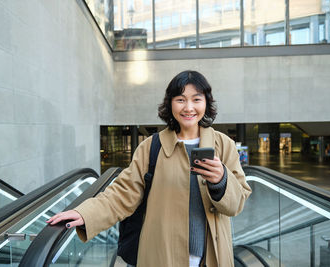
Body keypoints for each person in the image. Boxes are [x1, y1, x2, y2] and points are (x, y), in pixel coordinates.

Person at [47, 70, 252, 267]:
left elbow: (237, 203)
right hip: (161, 255)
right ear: (170, 104)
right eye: (180, 99)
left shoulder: (223, 145)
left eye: (196, 99)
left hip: (212, 257)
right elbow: (122, 193)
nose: (189, 107)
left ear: (206, 103)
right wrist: (86, 214)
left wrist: (221, 181)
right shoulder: (151, 147)